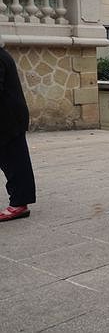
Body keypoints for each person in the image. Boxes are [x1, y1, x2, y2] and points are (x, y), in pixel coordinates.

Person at [0, 44, 36, 222]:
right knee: (14, 160)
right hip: (10, 117)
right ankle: (20, 201)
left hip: (8, 119)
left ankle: (19, 203)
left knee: (14, 161)